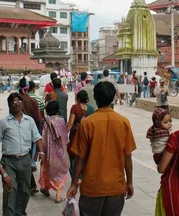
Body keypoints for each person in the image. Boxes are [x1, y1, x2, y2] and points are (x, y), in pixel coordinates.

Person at [67, 82, 137, 215]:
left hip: (92, 188)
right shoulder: (123, 122)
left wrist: (74, 184)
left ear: (95, 98)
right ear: (112, 98)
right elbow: (128, 156)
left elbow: (80, 158)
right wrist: (130, 182)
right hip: (116, 187)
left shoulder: (87, 124)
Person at [0, 93, 45, 216]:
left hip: (25, 160)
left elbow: (37, 137)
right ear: (10, 105)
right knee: (10, 189)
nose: (17, 104)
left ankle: (20, 212)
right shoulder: (4, 123)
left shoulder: (29, 121)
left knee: (25, 190)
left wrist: (41, 151)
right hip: (9, 161)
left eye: (19, 102)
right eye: (14, 102)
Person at [39, 100, 70, 203]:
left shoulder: (44, 121)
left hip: (47, 152)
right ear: (57, 110)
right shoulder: (60, 120)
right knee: (61, 171)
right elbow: (64, 138)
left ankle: (45, 189)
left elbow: (41, 137)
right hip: (59, 152)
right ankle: (58, 196)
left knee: (46, 170)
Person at [67, 90, 94, 177]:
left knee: (72, 156)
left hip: (75, 135)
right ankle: (82, 176)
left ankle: (75, 176)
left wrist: (65, 134)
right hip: (87, 136)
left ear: (78, 99)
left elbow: (71, 123)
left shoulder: (75, 108)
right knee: (84, 155)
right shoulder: (91, 109)